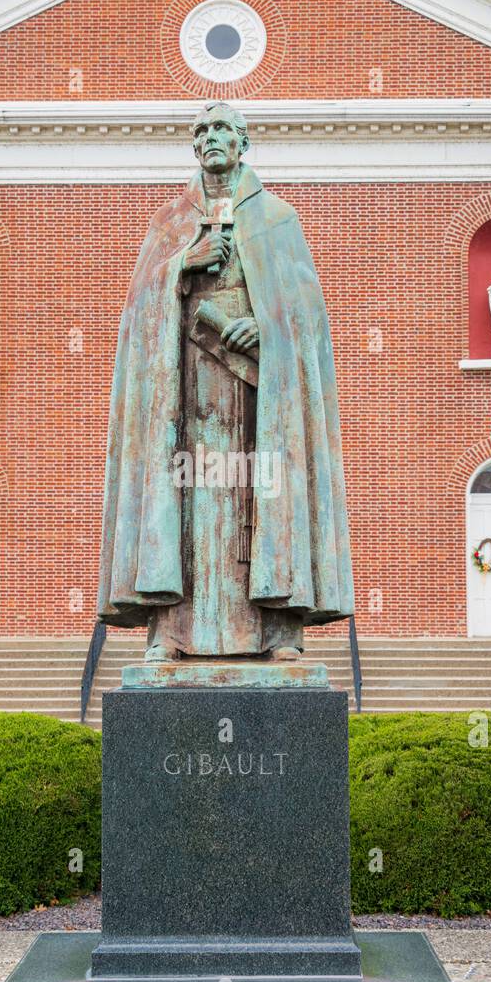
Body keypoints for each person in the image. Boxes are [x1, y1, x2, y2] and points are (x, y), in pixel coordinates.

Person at [97, 101, 354, 661]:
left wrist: (264, 327)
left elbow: (307, 320)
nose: (212, 138)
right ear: (195, 148)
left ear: (242, 144)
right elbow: (138, 313)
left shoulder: (278, 219)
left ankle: (279, 629)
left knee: (264, 500)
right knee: (181, 500)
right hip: (184, 394)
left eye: (222, 129)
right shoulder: (169, 224)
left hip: (259, 398)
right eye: (202, 131)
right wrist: (183, 265)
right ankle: (171, 630)